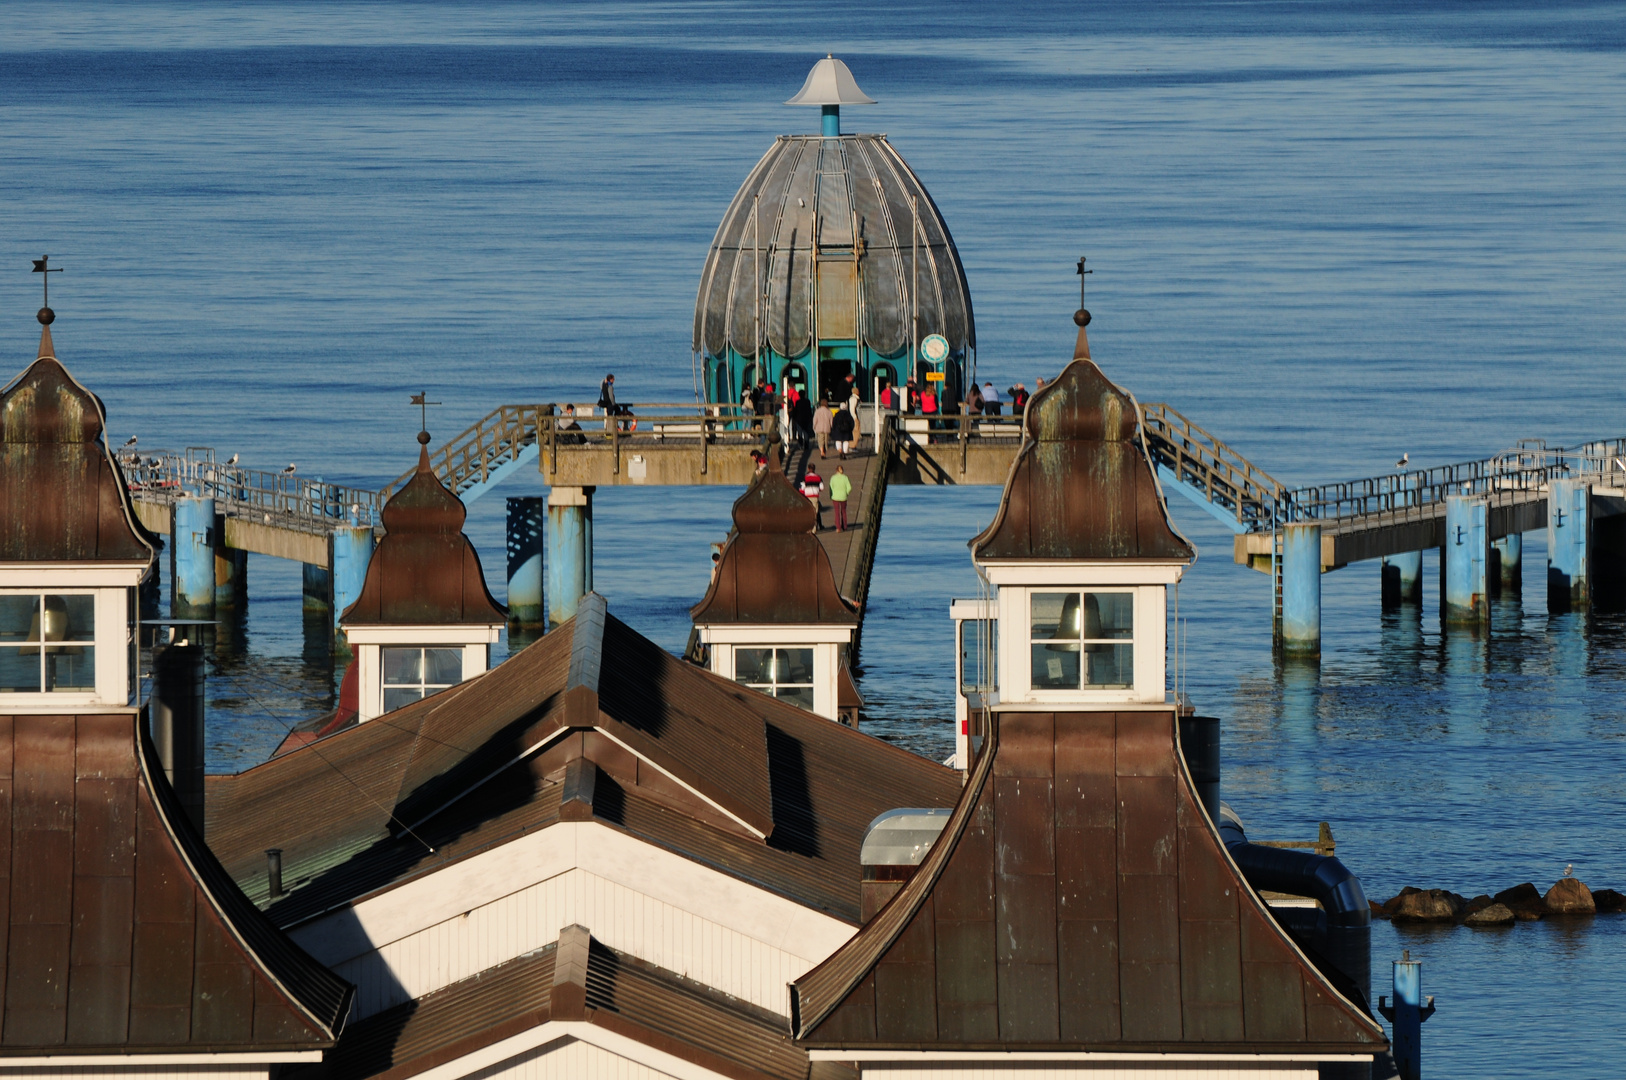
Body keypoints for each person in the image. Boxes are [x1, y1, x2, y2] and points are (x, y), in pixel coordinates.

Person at [829, 464, 852, 532]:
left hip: (835, 497)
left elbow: (830, 488)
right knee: (843, 511)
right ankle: (844, 526)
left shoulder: (833, 478)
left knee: (837, 512)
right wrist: (846, 493)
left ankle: (838, 527)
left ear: (836, 470)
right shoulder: (845, 478)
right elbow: (849, 487)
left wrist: (831, 495)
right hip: (843, 496)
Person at [800, 465, 824, 531]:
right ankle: (814, 528)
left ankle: (808, 528)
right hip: (815, 496)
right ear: (814, 469)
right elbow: (822, 488)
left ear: (808, 469)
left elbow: (802, 489)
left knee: (808, 512)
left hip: (807, 497)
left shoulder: (805, 478)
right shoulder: (818, 477)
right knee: (815, 512)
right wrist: (816, 489)